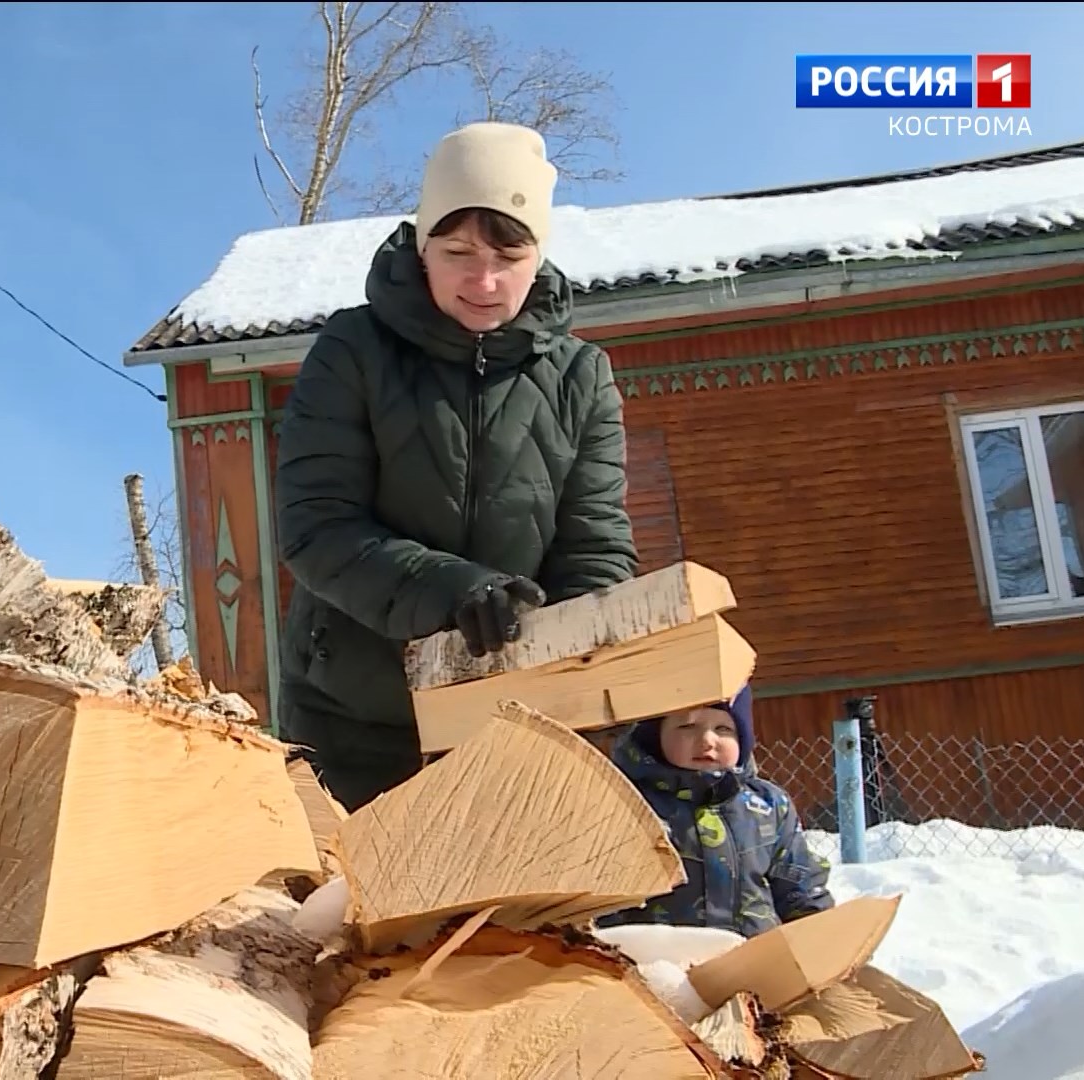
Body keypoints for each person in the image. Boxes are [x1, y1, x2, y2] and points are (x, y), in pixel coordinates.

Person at [273, 121, 639, 813]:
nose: (484, 279)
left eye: (510, 252)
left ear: (539, 255)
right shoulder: (353, 348)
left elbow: (594, 546)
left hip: (515, 725)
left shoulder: (580, 376)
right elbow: (316, 526)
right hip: (356, 725)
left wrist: (592, 666)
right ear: (421, 247)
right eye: (458, 250)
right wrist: (452, 592)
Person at [598, 684, 836, 938]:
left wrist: (818, 938)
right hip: (658, 963)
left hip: (756, 958)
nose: (707, 741)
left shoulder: (767, 805)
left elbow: (799, 885)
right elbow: (599, 896)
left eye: (723, 729)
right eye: (687, 727)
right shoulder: (625, 804)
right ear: (655, 736)